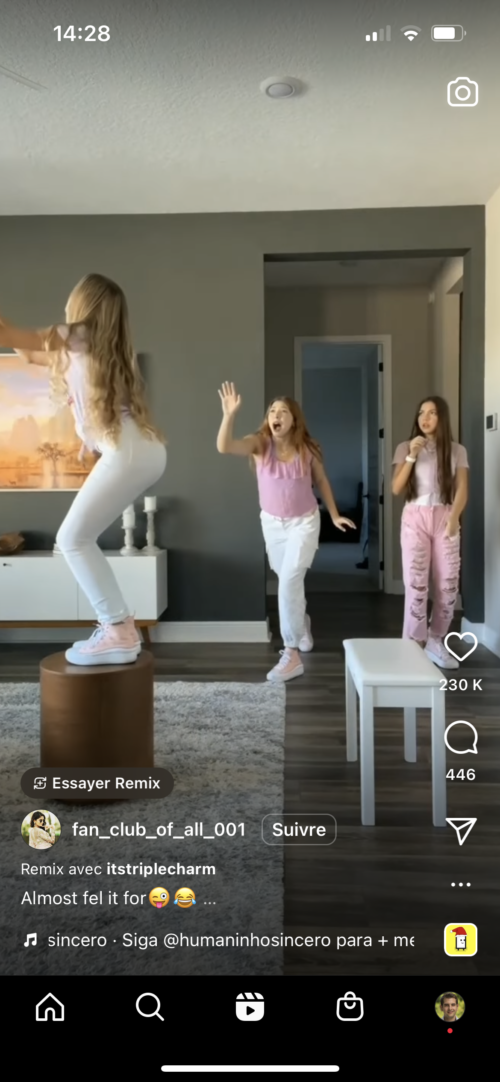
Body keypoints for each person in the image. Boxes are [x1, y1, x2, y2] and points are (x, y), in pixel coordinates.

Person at [0, 274, 167, 665]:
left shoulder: (75, 334)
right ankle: (119, 628)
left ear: (83, 305)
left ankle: (118, 629)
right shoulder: (91, 352)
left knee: (72, 539)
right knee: (77, 538)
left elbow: (16, 337)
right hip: (142, 451)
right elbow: (29, 354)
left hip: (129, 452)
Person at [217, 383, 355, 682]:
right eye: (272, 411)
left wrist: (334, 515)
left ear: (294, 420)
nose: (276, 415)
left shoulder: (309, 448)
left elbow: (322, 480)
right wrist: (229, 416)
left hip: (304, 522)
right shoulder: (259, 444)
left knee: (290, 579)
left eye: (283, 412)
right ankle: (301, 621)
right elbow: (225, 447)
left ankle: (291, 653)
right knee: (288, 580)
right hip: (272, 524)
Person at [392, 397, 469, 669]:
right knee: (416, 583)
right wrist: (411, 456)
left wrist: (454, 518)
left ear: (442, 418)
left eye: (432, 413)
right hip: (415, 518)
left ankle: (436, 640)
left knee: (448, 583)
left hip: (445, 518)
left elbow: (462, 488)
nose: (425, 418)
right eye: (421, 412)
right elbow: (396, 488)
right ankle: (413, 643)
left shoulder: (457, 450)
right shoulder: (405, 447)